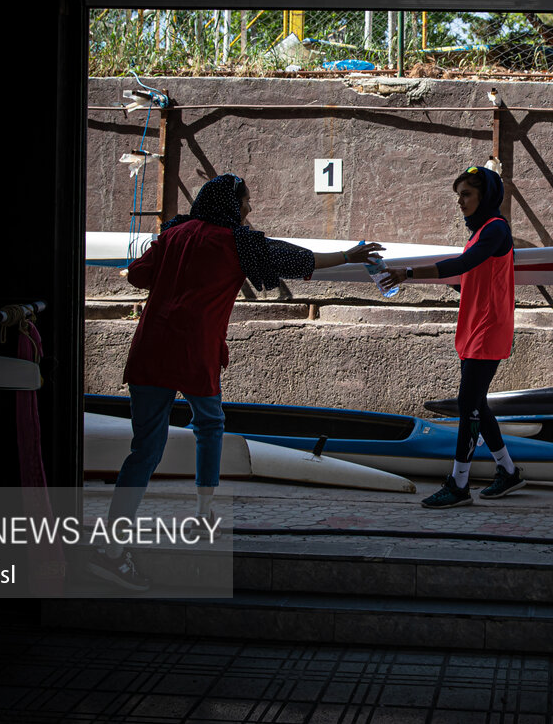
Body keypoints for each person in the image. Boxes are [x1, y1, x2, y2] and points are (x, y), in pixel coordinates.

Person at [90, 173, 384, 590]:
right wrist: (349, 254)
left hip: (150, 351)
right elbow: (296, 259)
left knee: (144, 451)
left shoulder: (174, 234)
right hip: (194, 352)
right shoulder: (237, 243)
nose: (249, 209)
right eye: (246, 202)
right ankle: (204, 511)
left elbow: (138, 275)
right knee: (209, 425)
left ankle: (111, 550)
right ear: (230, 205)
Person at [382, 165, 527, 509]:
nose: (460, 202)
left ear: (485, 196)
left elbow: (463, 265)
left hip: (488, 327)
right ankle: (508, 471)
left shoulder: (495, 230)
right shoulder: (479, 232)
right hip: (474, 326)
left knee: (468, 404)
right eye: (458, 195)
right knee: (476, 403)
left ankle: (459, 483)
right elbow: (470, 272)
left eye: (467, 194)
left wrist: (409, 273)